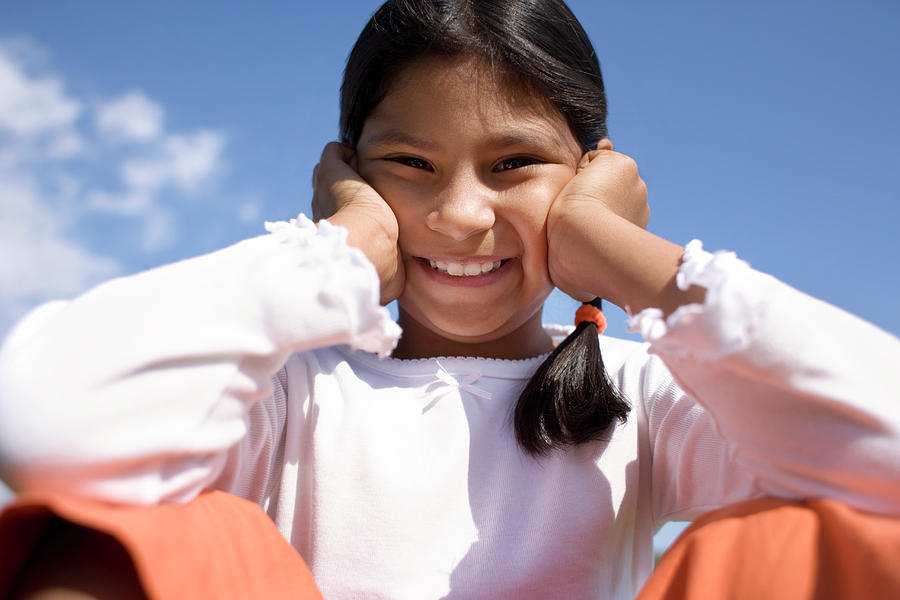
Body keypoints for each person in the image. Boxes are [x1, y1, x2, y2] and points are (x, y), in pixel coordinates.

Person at [1, 0, 899, 598]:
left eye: (514, 165)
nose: (461, 215)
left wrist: (627, 262)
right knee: (128, 539)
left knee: (814, 543)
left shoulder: (646, 396)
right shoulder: (291, 387)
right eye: (410, 166)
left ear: (594, 175)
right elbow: (46, 425)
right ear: (346, 173)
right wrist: (338, 254)